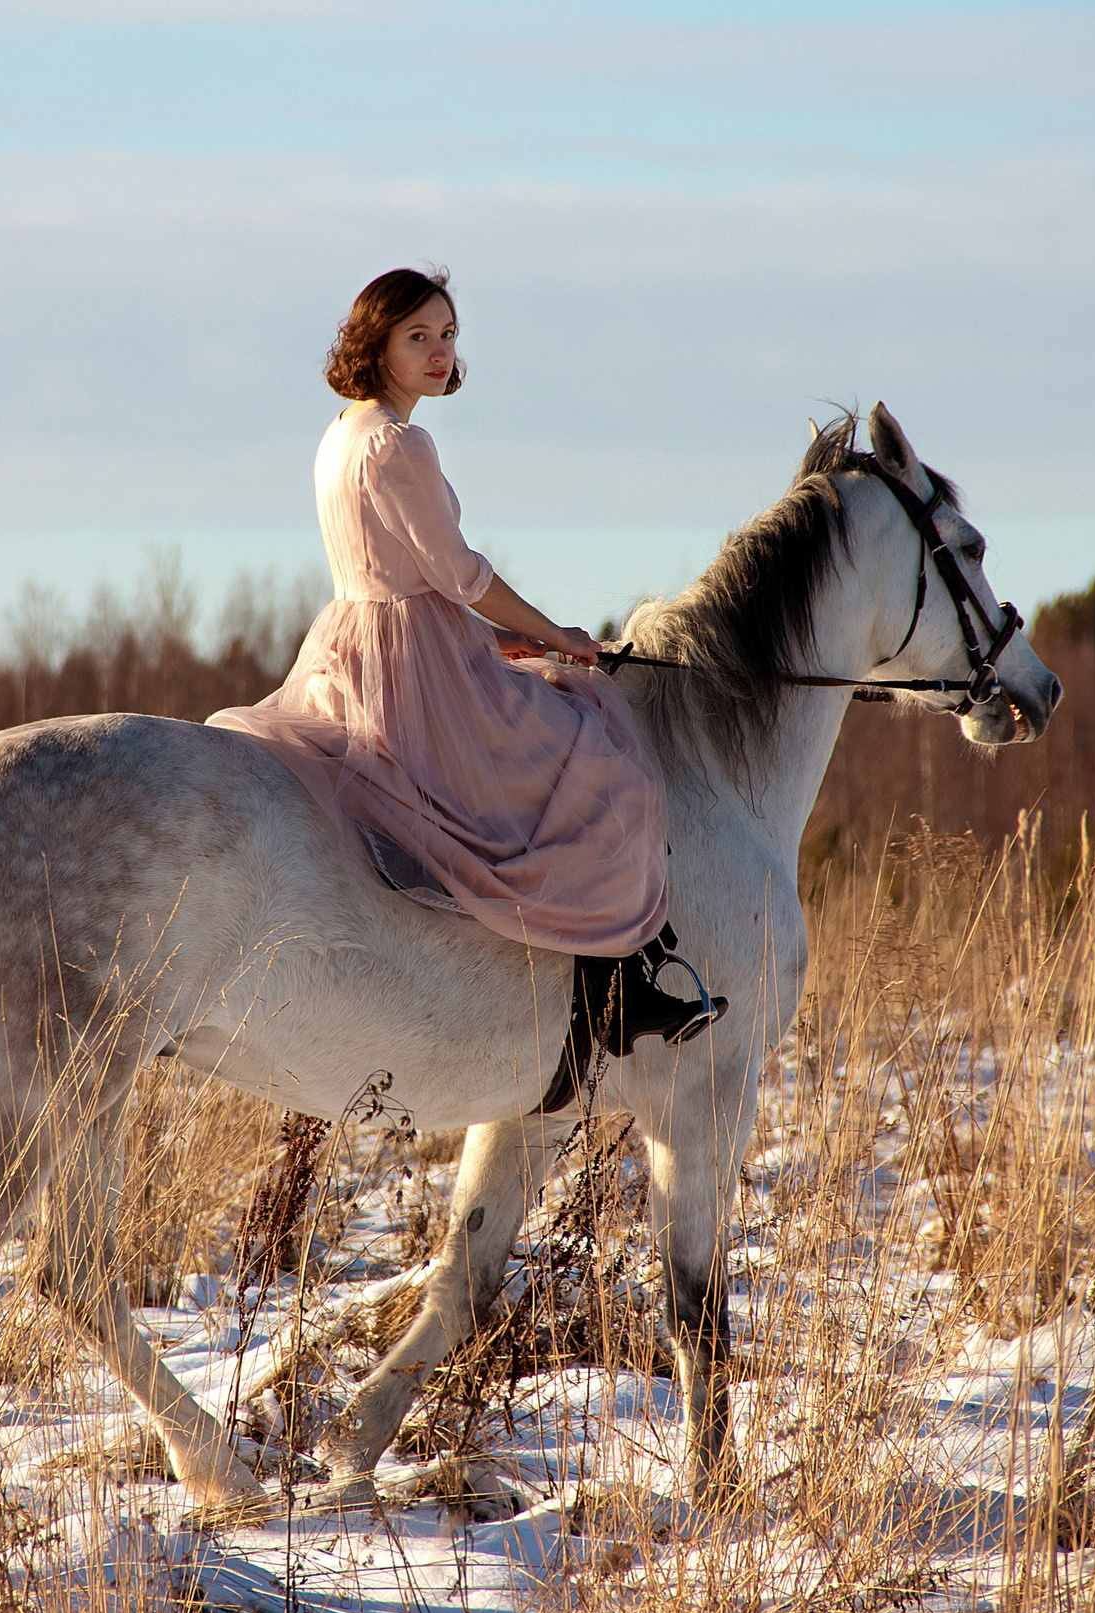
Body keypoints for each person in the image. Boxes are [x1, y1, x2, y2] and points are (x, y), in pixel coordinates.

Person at [209, 267, 722, 1052]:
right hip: (413, 661)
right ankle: (618, 989)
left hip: (358, 642)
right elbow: (460, 575)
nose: (439, 351)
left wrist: (488, 641)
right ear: (376, 343)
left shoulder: (342, 433)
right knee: (605, 762)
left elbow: (402, 572)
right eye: (417, 336)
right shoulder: (398, 442)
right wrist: (556, 634)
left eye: (447, 335)